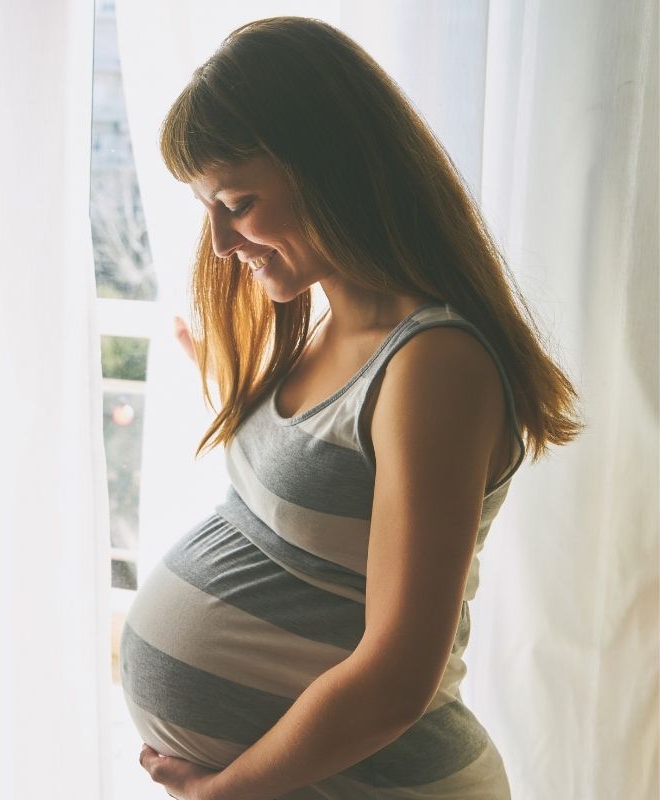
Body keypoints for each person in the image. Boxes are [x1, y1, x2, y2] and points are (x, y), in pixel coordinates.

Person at [117, 16, 583, 800]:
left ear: (328, 169)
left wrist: (222, 792)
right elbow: (327, 492)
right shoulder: (326, 325)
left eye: (237, 201)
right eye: (209, 209)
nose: (224, 242)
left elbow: (399, 675)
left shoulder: (436, 362)